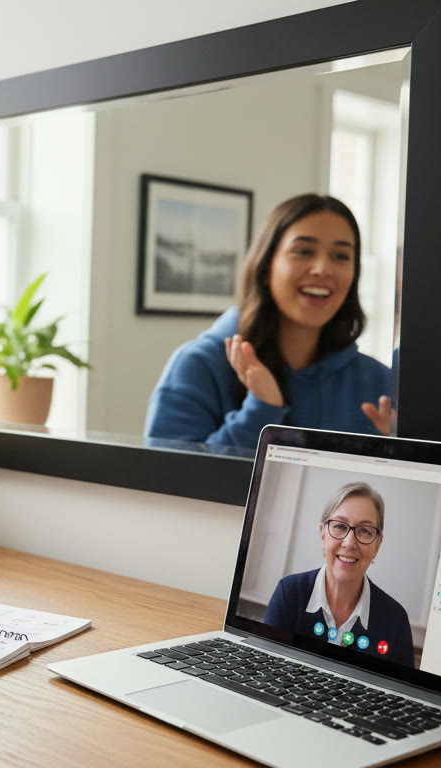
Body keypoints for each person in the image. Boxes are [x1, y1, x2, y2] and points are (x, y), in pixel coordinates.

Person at [144, 194, 391, 448]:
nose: (322, 269)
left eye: (341, 256)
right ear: (265, 268)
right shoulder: (198, 365)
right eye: (303, 251)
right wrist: (261, 411)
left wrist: (402, 454)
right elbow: (166, 480)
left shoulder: (381, 383)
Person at [263, 482, 415, 667]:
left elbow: (398, 693)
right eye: (340, 526)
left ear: (377, 545)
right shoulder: (289, 593)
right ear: (323, 535)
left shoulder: (395, 620)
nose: (349, 543)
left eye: (365, 531)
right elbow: (267, 668)